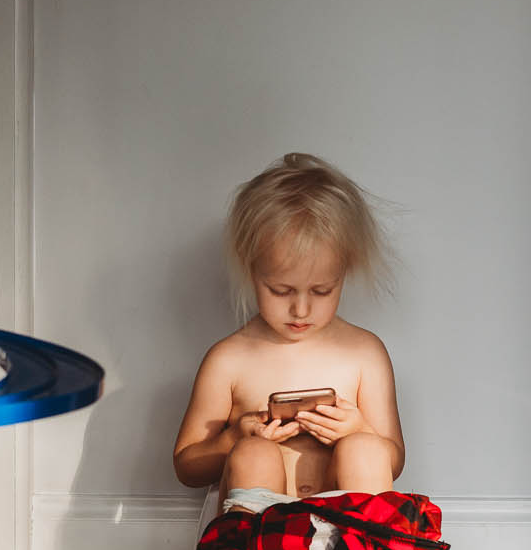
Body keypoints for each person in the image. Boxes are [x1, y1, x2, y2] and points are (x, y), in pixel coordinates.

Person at [173, 152, 405, 510]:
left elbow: (394, 459)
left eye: (321, 291)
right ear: (252, 273)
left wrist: (357, 430)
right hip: (259, 538)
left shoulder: (364, 353)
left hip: (342, 534)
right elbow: (188, 466)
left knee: (367, 449)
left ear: (343, 274)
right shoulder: (229, 359)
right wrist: (234, 436)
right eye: (281, 291)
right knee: (255, 454)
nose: (300, 309)